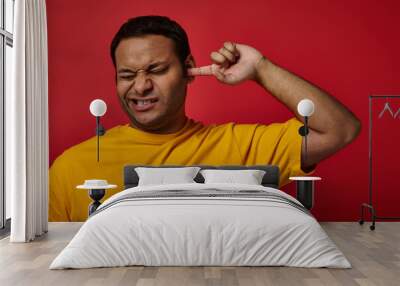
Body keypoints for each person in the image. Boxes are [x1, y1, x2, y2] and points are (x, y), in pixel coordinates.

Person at [49, 15, 361, 222]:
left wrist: (260, 68)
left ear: (189, 69)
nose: (141, 86)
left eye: (156, 70)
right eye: (127, 75)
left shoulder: (241, 146)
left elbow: (341, 129)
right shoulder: (70, 167)